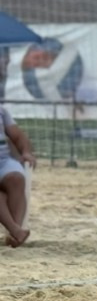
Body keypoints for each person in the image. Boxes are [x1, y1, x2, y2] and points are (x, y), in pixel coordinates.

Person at [0, 102, 36, 247]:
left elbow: (18, 136)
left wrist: (26, 152)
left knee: (17, 178)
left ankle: (14, 236)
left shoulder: (2, 111)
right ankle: (16, 231)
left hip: (3, 160)